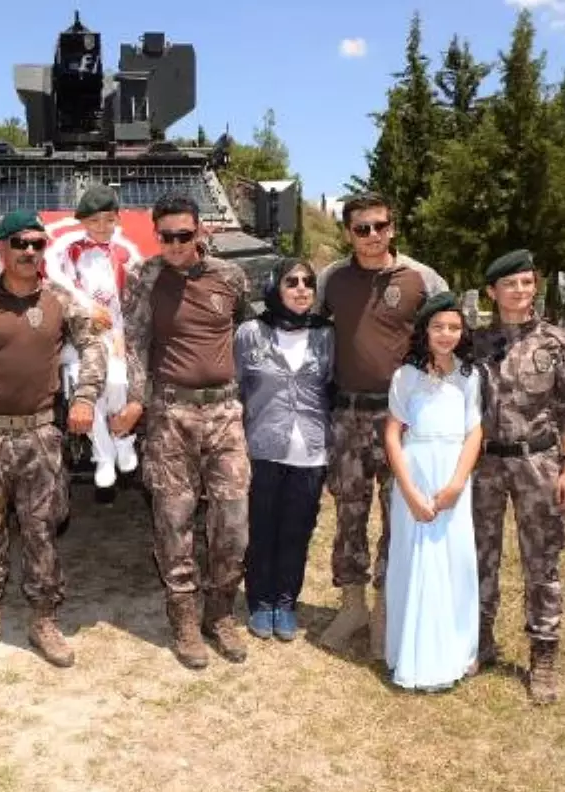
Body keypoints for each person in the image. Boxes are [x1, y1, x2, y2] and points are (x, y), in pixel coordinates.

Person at [0, 209, 103, 668]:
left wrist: (86, 397)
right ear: (1, 250)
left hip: (39, 435)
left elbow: (92, 345)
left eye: (37, 243)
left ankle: (43, 618)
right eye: (20, 243)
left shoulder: (59, 299)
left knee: (42, 532)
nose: (29, 251)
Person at [112, 193, 254, 669]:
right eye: (166, 236)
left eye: (184, 235)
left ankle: (220, 612)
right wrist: (138, 400)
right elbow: (133, 343)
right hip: (171, 413)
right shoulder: (144, 277)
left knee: (232, 522)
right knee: (173, 521)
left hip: (224, 413)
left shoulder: (229, 278)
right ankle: (185, 620)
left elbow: (251, 335)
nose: (174, 245)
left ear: (201, 233)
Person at [312, 192, 449, 658]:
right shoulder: (331, 280)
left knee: (399, 515)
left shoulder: (421, 279)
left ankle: (387, 609)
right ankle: (352, 607)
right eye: (361, 228)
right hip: (347, 415)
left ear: (393, 227)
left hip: (403, 420)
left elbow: (450, 333)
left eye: (379, 226)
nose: (371, 236)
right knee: (349, 511)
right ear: (347, 232)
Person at [471, 249, 565, 705]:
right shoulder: (476, 343)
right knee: (480, 556)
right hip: (485, 466)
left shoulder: (556, 342)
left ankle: (542, 654)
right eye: (510, 284)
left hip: (538, 464)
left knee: (543, 561)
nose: (520, 291)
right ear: (492, 292)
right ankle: (480, 639)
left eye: (526, 282)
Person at [383, 292, 483, 691]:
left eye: (454, 327)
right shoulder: (405, 376)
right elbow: (393, 435)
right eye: (438, 326)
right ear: (425, 330)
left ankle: (457, 650)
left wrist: (458, 483)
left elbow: (475, 430)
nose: (446, 334)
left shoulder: (469, 375)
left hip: (453, 475)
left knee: (454, 560)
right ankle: (410, 650)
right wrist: (408, 491)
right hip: (416, 471)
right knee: (413, 558)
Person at [234, 258, 333, 641]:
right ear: (275, 287)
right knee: (261, 530)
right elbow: (236, 388)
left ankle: (286, 603)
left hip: (311, 452)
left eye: (308, 282)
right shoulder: (250, 334)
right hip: (262, 448)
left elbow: (332, 387)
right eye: (291, 281)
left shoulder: (327, 335)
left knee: (297, 531)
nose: (302, 288)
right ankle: (260, 602)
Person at [44, 183, 144, 488]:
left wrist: (121, 332)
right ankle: (103, 455)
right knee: (85, 392)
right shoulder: (70, 250)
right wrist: (87, 308)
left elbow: (134, 295)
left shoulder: (126, 253)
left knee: (116, 385)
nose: (101, 227)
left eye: (108, 219)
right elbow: (58, 282)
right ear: (83, 222)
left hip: (116, 331)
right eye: (93, 221)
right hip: (81, 332)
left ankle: (122, 440)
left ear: (117, 220)